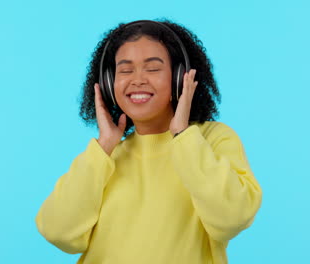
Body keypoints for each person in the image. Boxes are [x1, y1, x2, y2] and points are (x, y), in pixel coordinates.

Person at [35, 19, 263, 264]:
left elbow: (231, 219)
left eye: (152, 69)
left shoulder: (211, 140)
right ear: (110, 84)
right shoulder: (104, 157)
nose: (138, 80)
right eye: (125, 70)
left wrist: (182, 136)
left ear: (179, 77)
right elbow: (58, 232)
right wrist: (103, 148)